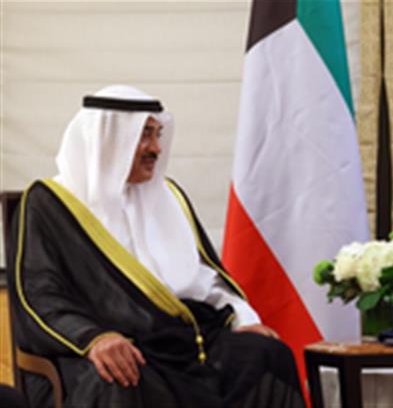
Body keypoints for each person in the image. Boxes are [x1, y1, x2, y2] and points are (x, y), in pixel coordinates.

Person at [7, 85, 305, 408]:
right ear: (108, 137)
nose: (156, 148)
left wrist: (243, 319)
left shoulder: (169, 196)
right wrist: (92, 338)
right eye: (144, 135)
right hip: (112, 347)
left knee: (266, 354)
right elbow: (39, 294)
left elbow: (206, 277)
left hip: (184, 342)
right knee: (121, 377)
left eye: (158, 134)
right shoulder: (49, 204)